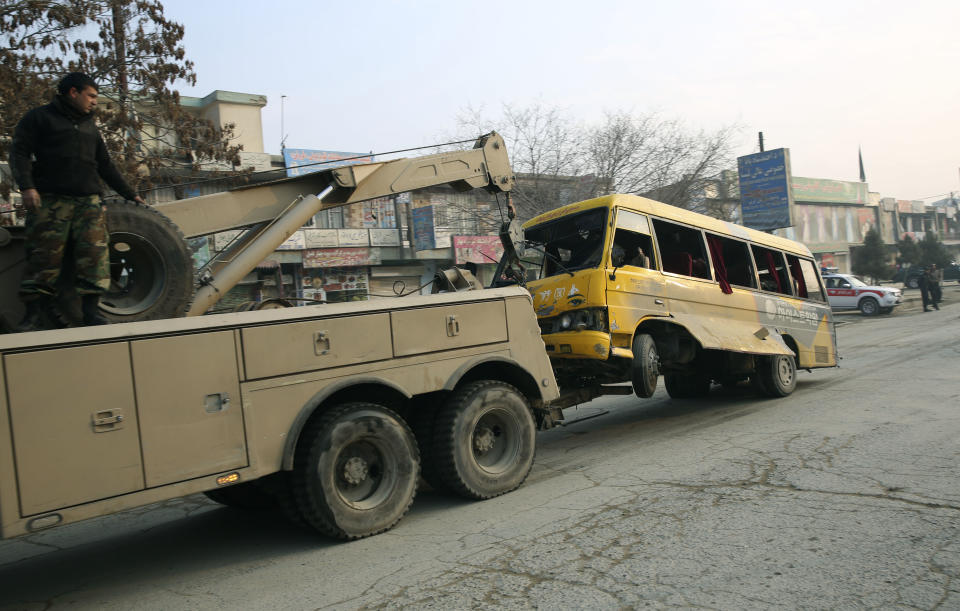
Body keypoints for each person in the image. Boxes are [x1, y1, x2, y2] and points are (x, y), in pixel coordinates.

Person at [10, 72, 145, 331]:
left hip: (88, 203)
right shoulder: (39, 118)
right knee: (43, 258)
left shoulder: (89, 126)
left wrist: (130, 194)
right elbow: (20, 152)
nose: (94, 102)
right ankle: (34, 314)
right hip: (50, 201)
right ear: (73, 92)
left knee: (95, 257)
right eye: (91, 96)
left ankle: (91, 313)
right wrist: (27, 186)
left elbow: (105, 165)